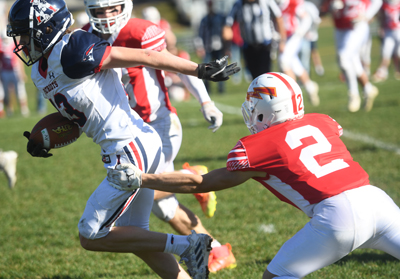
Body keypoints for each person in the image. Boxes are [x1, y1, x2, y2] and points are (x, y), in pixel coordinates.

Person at [8, 0, 239, 278]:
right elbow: (76, 115)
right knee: (136, 238)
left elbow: (147, 57)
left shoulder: (72, 50)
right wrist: (41, 137)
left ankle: (190, 243)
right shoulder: (38, 70)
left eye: (24, 33)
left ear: (46, 27)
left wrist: (198, 70)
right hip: (129, 145)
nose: (20, 41)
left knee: (90, 233)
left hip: (129, 147)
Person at [109, 72, 400, 279]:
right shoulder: (322, 122)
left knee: (276, 276)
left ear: (267, 108)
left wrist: (143, 178)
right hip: (377, 200)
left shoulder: (259, 146)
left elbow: (204, 182)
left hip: (338, 215)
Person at [83, 0, 236, 272]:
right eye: (99, 10)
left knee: (136, 197)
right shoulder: (86, 36)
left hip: (158, 124)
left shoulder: (140, 31)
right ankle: (217, 250)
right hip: (127, 133)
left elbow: (176, 64)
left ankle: (191, 178)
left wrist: (206, 102)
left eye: (112, 9)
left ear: (124, 7)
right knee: (163, 209)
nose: (106, 16)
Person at [321, 0, 382, 112]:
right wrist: (330, 6)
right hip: (340, 27)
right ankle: (368, 89)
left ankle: (353, 94)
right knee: (353, 61)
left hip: (357, 25)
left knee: (343, 57)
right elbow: (323, 10)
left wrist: (367, 15)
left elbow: (377, 1)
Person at [223, 0, 287, 79]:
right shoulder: (238, 4)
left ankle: (265, 90)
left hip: (265, 44)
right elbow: (228, 25)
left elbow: (279, 18)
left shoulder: (267, 2)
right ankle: (258, 90)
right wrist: (227, 47)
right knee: (254, 75)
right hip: (248, 45)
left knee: (264, 73)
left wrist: (282, 41)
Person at [277, 0, 320, 106]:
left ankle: (292, 95)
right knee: (294, 63)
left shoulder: (293, 2)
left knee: (284, 61)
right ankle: (310, 87)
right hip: (283, 37)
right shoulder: (274, 3)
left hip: (293, 35)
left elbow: (306, 18)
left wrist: (300, 31)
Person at [196, 0, 227, 94]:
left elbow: (225, 32)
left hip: (219, 47)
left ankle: (221, 89)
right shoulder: (204, 19)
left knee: (221, 68)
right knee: (207, 69)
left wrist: (226, 47)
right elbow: (200, 34)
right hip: (208, 47)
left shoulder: (220, 17)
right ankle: (207, 89)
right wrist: (200, 47)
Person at [0, 35, 29, 117]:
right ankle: (9, 109)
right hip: (4, 71)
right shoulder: (1, 45)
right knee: (5, 92)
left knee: (20, 91)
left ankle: (24, 109)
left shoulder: (14, 44)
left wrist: (22, 72)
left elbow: (19, 59)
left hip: (15, 70)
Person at [372, 0, 400, 82]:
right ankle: (383, 71)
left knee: (398, 53)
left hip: (398, 30)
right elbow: (381, 16)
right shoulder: (384, 4)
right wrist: (381, 27)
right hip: (388, 31)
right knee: (386, 52)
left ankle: (397, 69)